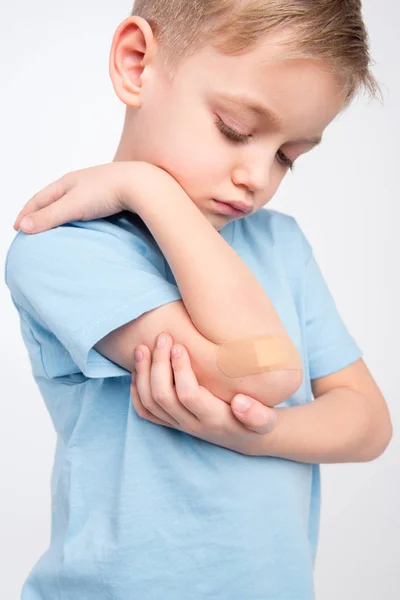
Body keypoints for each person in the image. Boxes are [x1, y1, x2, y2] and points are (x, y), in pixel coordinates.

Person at [5, 1, 393, 598]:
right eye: (236, 129)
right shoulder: (64, 251)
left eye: (289, 156)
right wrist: (149, 188)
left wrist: (257, 435)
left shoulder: (279, 243)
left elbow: (368, 424)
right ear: (137, 64)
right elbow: (265, 367)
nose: (257, 176)